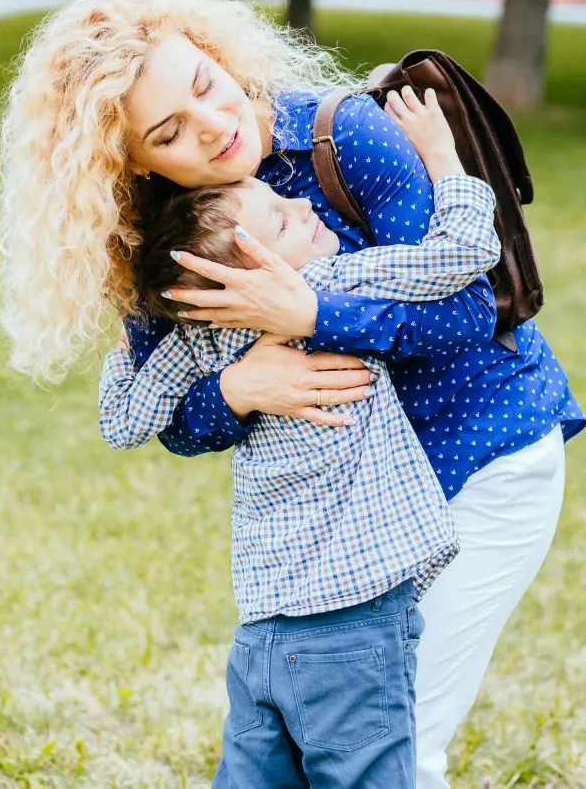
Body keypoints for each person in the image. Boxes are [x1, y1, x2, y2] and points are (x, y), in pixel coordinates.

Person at [0, 0, 586, 789]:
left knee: (400, 742)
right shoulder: (172, 233)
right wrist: (239, 392)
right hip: (351, 522)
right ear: (131, 166)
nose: (213, 126)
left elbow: (467, 310)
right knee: (319, 750)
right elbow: (166, 411)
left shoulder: (343, 139)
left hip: (481, 456)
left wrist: (310, 315)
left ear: (216, 52)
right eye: (167, 133)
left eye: (206, 84)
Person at [98, 98, 501, 786]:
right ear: (250, 272)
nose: (306, 209)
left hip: (262, 628)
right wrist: (445, 160)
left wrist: (144, 330)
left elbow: (123, 418)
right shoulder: (333, 279)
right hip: (354, 623)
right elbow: (466, 254)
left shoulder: (204, 335)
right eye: (281, 219)